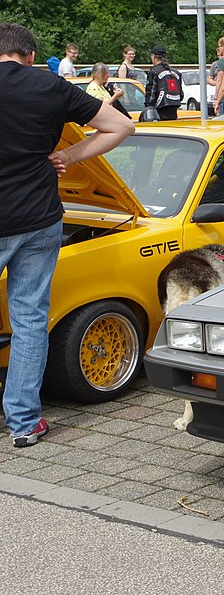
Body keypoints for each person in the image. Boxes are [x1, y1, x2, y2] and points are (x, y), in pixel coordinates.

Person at [0, 22, 134, 447]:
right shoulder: (51, 86)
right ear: (32, 55)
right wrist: (69, 155)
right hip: (39, 218)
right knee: (29, 321)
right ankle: (23, 424)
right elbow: (121, 126)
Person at [145, 45, 183, 120]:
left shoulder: (154, 72)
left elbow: (151, 93)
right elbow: (181, 94)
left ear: (153, 56)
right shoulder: (176, 72)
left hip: (159, 111)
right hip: (174, 108)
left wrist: (148, 107)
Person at [207, 36, 224, 113]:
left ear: (223, 47)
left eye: (219, 46)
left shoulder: (222, 60)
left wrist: (216, 98)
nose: (218, 49)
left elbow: (219, 81)